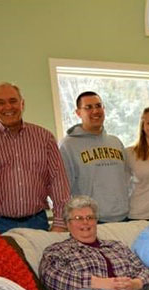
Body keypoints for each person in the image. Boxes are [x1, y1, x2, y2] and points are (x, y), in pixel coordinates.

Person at [0, 82, 70, 233]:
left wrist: (60, 222)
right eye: (0, 103)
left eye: (13, 101)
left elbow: (58, 181)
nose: (8, 107)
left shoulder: (44, 137)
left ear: (22, 103)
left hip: (39, 222)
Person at [59, 91, 129, 223]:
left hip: (123, 217)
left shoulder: (116, 142)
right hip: (90, 221)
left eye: (98, 106)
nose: (95, 111)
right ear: (78, 113)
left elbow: (126, 179)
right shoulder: (68, 145)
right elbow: (62, 188)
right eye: (88, 107)